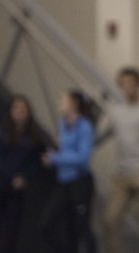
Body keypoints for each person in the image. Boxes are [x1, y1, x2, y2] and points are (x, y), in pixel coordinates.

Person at [99, 67, 139, 253]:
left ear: (138, 85)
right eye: (123, 83)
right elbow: (100, 136)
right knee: (111, 219)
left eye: (130, 83)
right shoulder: (115, 111)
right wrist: (105, 110)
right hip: (122, 174)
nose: (127, 87)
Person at [0, 94, 43, 253]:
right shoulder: (0, 131)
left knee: (10, 232)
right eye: (16, 108)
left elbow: (35, 162)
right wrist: (13, 176)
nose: (19, 112)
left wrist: (24, 177)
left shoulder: (33, 137)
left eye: (23, 109)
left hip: (16, 191)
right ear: (10, 111)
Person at [39, 89, 97, 253]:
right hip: (63, 182)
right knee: (48, 224)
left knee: (81, 228)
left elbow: (83, 158)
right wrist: (55, 155)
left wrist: (54, 158)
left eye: (62, 100)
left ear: (74, 104)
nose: (59, 103)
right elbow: (67, 152)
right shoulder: (62, 123)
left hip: (80, 182)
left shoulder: (85, 126)